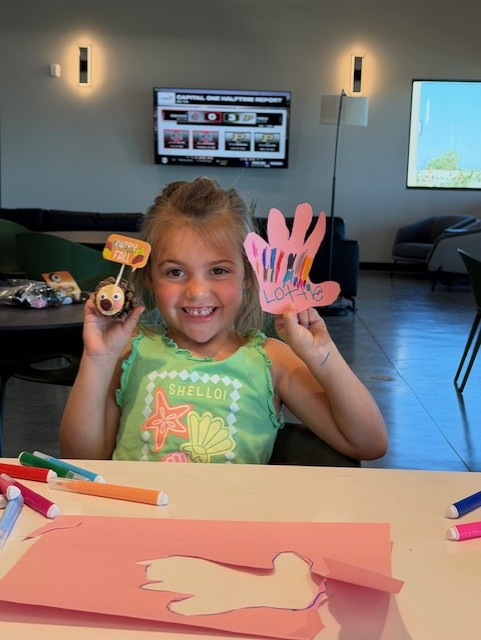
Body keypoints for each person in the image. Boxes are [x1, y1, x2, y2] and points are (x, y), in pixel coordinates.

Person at [60, 177, 387, 463]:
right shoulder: (129, 353)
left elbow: (368, 443)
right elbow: (81, 458)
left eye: (218, 271)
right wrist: (97, 360)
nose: (197, 291)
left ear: (247, 275)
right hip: (138, 527)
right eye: (175, 272)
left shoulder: (273, 361)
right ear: (149, 279)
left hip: (230, 531)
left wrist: (322, 354)